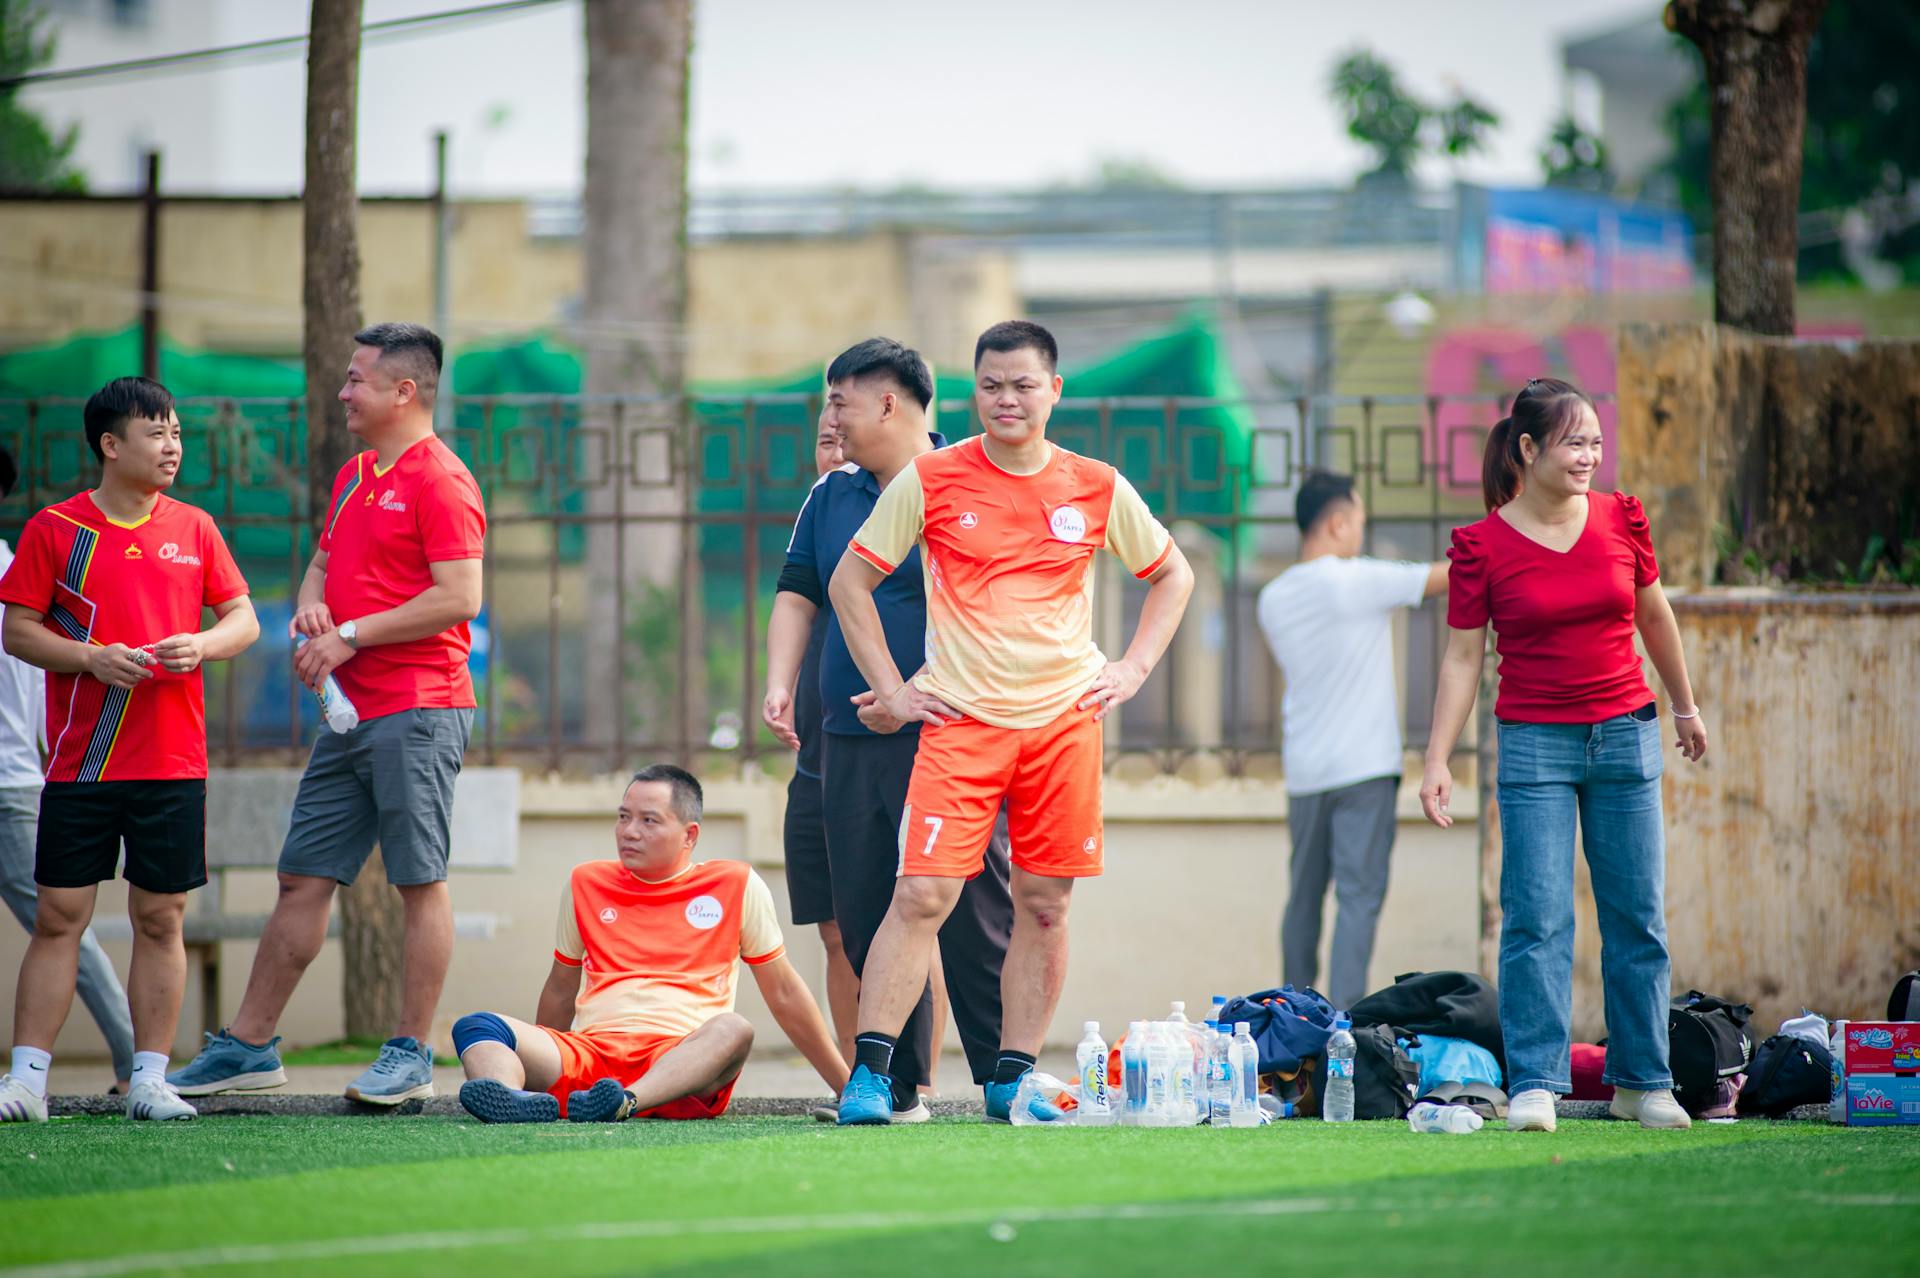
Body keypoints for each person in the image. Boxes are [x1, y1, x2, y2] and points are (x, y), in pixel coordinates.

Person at [828, 320, 1194, 1125]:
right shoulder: (930, 478)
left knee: (1046, 905)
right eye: (991, 385)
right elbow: (850, 584)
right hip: (961, 725)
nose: (1007, 399)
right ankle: (871, 1076)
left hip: (1064, 725)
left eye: (1024, 384)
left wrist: (1130, 668)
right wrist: (892, 693)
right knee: (921, 894)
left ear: (1054, 391)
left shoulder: (1095, 485)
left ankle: (1012, 1077)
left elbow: (1172, 573)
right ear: (974, 392)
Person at [170, 322, 485, 1106]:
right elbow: (319, 567)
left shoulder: (442, 480)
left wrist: (349, 635)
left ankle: (410, 1055)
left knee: (420, 880)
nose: (343, 392)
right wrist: (314, 613)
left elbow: (461, 598)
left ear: (403, 392)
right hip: (349, 716)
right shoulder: (354, 476)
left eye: (357, 380)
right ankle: (248, 1045)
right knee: (301, 879)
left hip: (418, 707)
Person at [1420, 377, 1709, 1134]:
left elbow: (1654, 613)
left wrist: (1685, 707)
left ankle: (1644, 1082)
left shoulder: (1622, 519)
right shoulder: (1481, 546)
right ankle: (1538, 1084)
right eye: (1573, 442)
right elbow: (1461, 661)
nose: (1589, 457)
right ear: (1527, 449)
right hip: (1533, 745)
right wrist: (1437, 759)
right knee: (1536, 920)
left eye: (1595, 444)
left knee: (1636, 918)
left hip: (1625, 734)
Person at [765, 339, 1014, 1123]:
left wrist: (912, 694)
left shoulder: (969, 480)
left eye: (840, 400)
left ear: (888, 404)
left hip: (951, 731)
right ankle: (895, 1087)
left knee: (971, 909)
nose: (828, 416)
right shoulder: (832, 494)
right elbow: (801, 591)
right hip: (849, 735)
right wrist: (780, 683)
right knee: (869, 908)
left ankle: (1007, 1074)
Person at [0, 377, 258, 1124]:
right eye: (156, 432)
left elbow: (242, 619)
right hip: (82, 762)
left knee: (161, 917)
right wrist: (89, 657)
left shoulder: (197, 527)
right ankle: (26, 1082)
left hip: (173, 762)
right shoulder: (57, 529)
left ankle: (149, 1079)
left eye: (176, 431)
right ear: (111, 445)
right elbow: (17, 630)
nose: (173, 444)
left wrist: (202, 645)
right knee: (58, 918)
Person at [452, 765, 848, 1123]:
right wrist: (541, 1059)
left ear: (689, 834)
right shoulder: (585, 883)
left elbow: (783, 992)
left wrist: (844, 1085)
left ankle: (626, 1101)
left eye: (649, 821)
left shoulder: (736, 885)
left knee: (734, 1029)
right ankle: (512, 1097)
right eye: (624, 817)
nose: (629, 831)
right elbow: (560, 987)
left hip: (681, 1063)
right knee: (478, 1027)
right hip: (591, 1056)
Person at [1257, 470, 1447, 1010]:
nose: (1360, 533)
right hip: (1364, 768)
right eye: (1359, 521)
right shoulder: (1355, 580)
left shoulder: (1273, 598)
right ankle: (1343, 1027)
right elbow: (1447, 576)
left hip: (1307, 770)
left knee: (1304, 899)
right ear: (1338, 522)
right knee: (1358, 901)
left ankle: (1292, 1013)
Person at [0, 443, 138, 1096]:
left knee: (58, 926)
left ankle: (135, 1059)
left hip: (11, 783)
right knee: (60, 926)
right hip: (22, 776)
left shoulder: (15, 576)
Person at [771, 412, 860, 1077]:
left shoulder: (913, 501)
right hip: (814, 764)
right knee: (834, 931)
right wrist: (780, 688)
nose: (835, 451)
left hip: (885, 758)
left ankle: (910, 1081)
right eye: (825, 440)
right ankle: (861, 1080)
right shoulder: (817, 518)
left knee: (911, 926)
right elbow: (792, 605)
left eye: (844, 436)